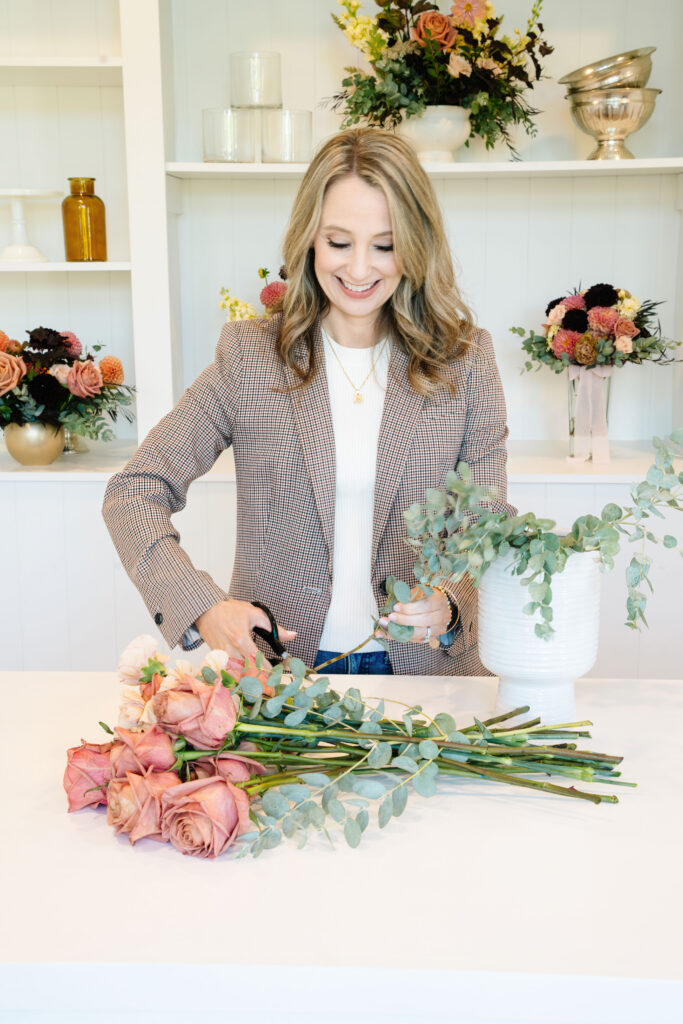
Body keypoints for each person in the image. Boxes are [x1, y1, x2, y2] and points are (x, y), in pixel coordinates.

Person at [102, 127, 515, 677]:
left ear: (417, 246)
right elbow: (134, 491)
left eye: (386, 245)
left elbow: (485, 522)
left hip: (430, 675)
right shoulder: (250, 356)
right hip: (278, 676)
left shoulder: (465, 360)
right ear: (309, 239)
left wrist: (452, 599)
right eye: (339, 242)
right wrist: (202, 608)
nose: (361, 269)